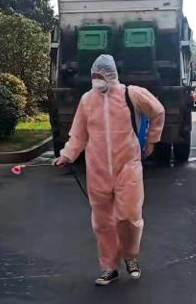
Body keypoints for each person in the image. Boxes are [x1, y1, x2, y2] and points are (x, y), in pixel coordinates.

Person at [54, 55, 165, 286]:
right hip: (98, 170)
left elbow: (158, 111)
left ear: (110, 75)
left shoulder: (131, 94)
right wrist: (67, 154)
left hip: (128, 166)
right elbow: (79, 134)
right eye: (94, 76)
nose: (96, 79)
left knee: (129, 216)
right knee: (103, 222)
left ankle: (131, 257)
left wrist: (152, 140)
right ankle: (109, 268)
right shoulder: (87, 100)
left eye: (100, 75)